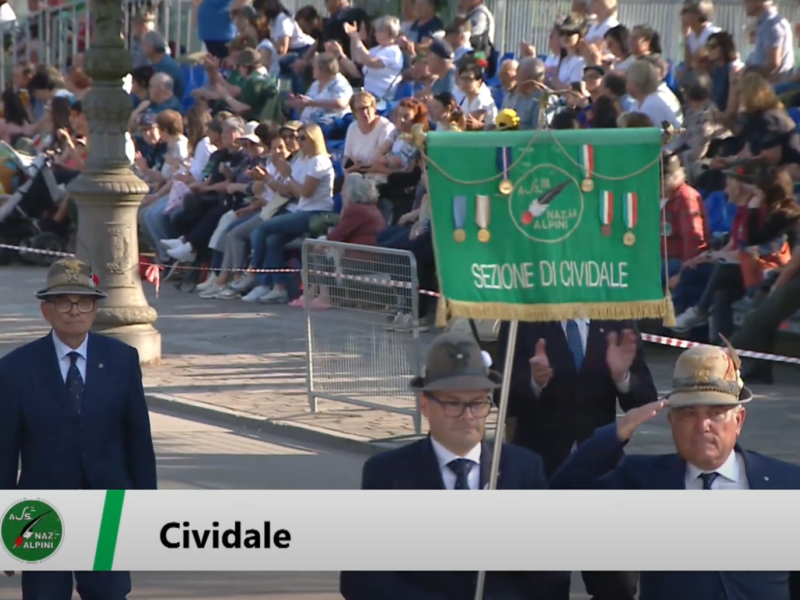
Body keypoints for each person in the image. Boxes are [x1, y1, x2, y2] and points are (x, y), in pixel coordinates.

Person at [551, 340, 800, 600]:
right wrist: (617, 432)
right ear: (671, 421)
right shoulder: (645, 480)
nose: (703, 425)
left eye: (716, 412)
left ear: (738, 420)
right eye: (689, 414)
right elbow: (560, 498)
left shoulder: (786, 484)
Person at [339, 331, 567, 600]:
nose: (467, 416)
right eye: (453, 404)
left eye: (477, 403)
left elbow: (553, 576)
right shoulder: (389, 473)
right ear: (425, 404)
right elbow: (361, 579)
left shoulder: (523, 469)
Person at [0, 258, 157, 599]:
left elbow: (138, 441)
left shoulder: (121, 359)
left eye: (84, 301)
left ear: (95, 308)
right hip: (42, 512)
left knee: (108, 593)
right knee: (46, 595)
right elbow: (4, 454)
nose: (74, 310)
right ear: (46, 310)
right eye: (63, 301)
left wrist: (147, 511)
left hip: (108, 507)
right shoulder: (15, 369)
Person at [495, 317, 657, 600]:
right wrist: (533, 382)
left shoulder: (616, 317)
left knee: (617, 585)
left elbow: (644, 400)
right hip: (542, 470)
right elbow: (501, 394)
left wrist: (622, 378)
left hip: (601, 473)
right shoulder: (525, 319)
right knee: (544, 582)